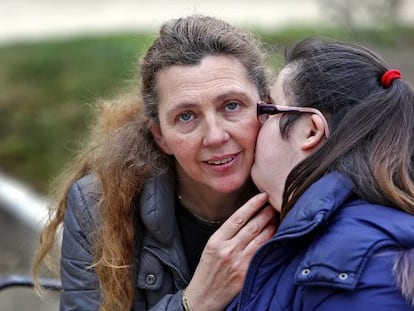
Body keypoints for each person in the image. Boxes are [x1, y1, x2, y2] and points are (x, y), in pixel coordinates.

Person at [32, 15, 278, 311]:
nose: (214, 136)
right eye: (186, 116)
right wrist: (193, 302)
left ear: (265, 108)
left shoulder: (304, 191)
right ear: (160, 134)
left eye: (231, 106)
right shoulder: (97, 206)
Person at [227, 38, 414, 310]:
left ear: (310, 131)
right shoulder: (323, 242)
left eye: (269, 110)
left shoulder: (360, 261)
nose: (257, 125)